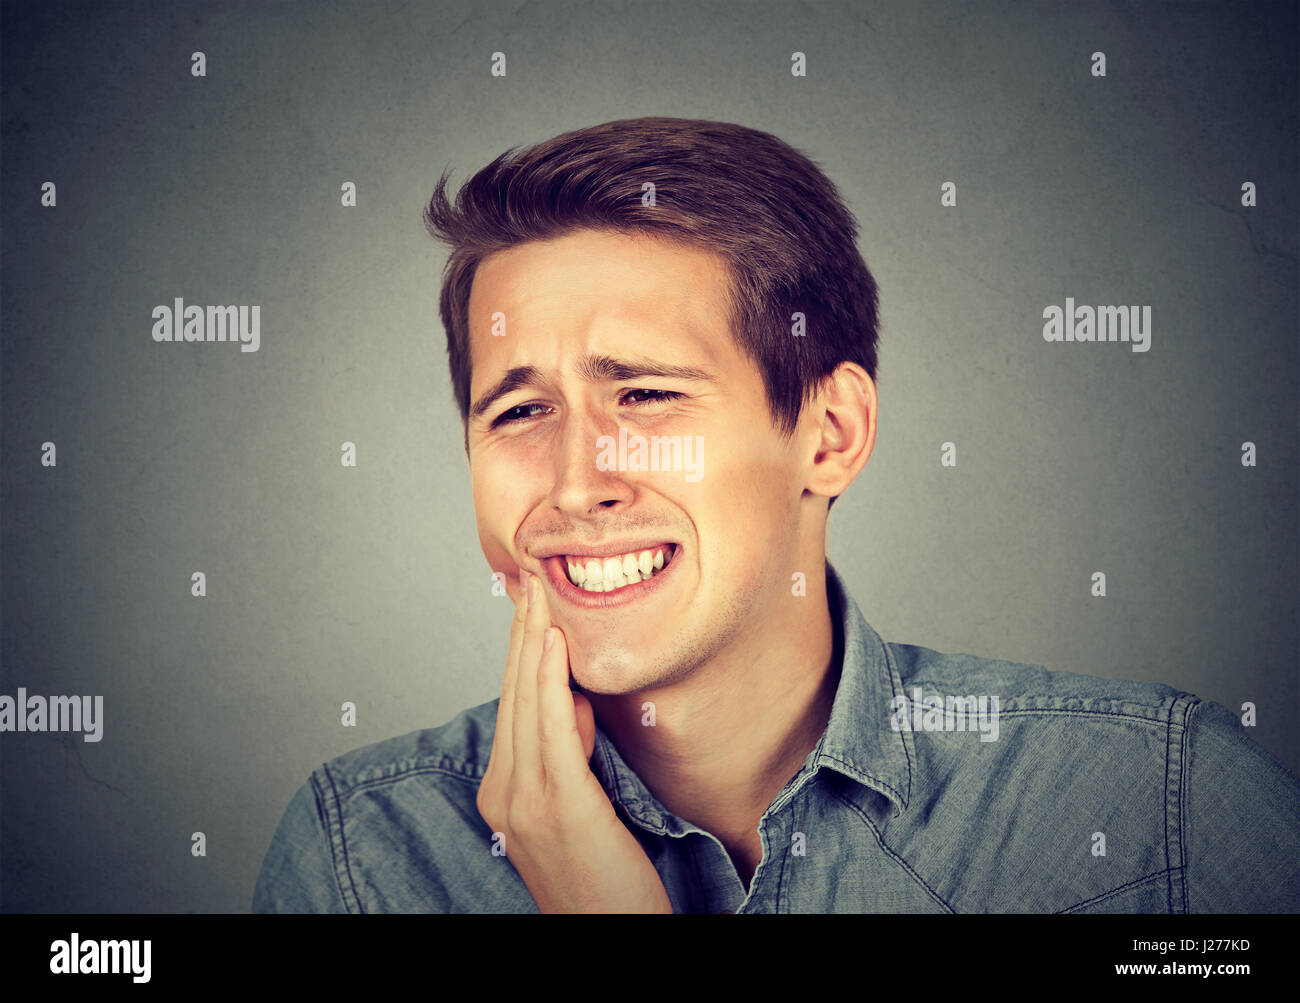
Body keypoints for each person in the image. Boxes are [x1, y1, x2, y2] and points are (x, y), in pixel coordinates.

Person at [253, 117, 1299, 913]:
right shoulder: (366, 858)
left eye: (646, 394)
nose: (575, 485)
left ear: (829, 432)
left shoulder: (1159, 808)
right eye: (520, 409)